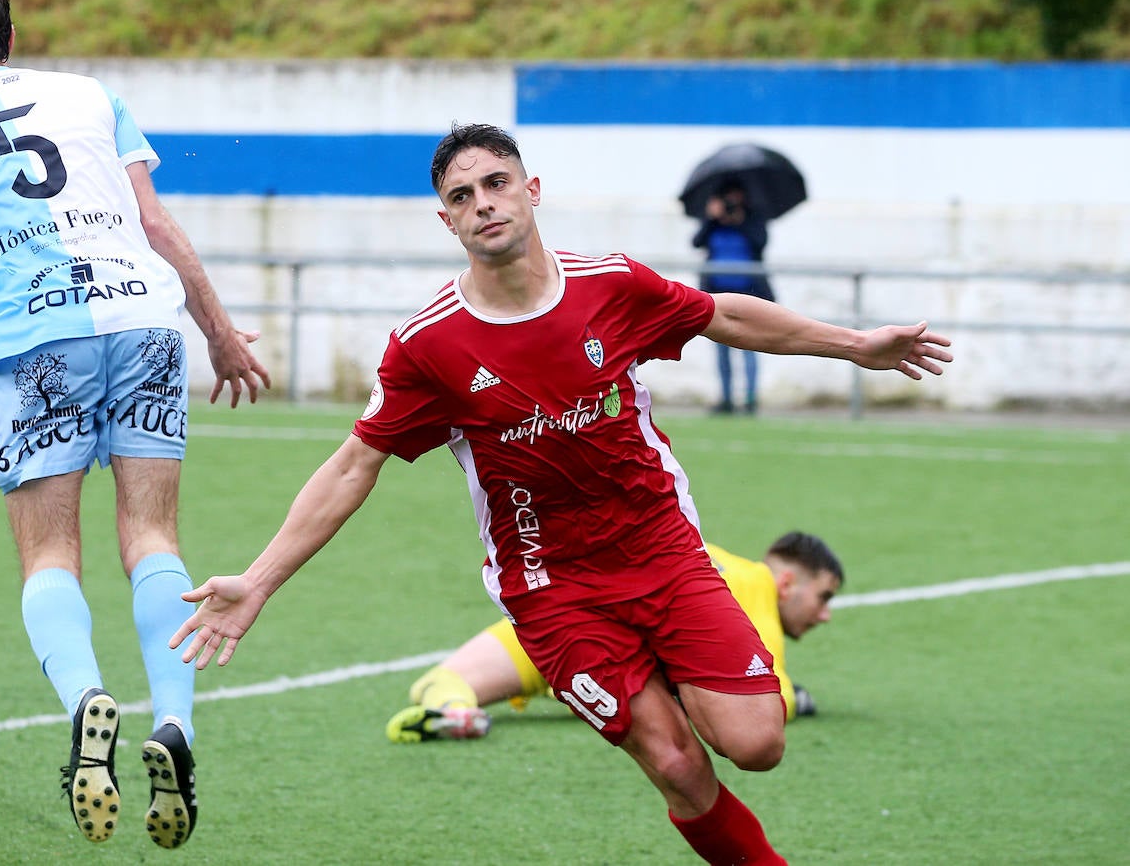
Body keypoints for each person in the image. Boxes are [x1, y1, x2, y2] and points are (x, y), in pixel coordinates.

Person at [169, 124, 950, 865]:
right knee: (676, 761)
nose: (484, 203)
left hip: (664, 552)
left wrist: (857, 347)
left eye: (496, 183)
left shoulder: (611, 285)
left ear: (532, 189)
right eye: (463, 196)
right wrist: (258, 581)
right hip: (554, 588)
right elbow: (352, 465)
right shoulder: (428, 346)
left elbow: (722, 315)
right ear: (447, 220)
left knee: (757, 742)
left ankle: (668, 666)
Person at [0, 0, 270, 849]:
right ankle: (175, 727)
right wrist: (222, 333)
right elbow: (157, 225)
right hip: (144, 319)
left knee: (50, 550)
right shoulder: (91, 94)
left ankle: (89, 699)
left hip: (39, 337)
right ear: (12, 37)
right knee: (152, 539)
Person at [387, 531, 843, 743]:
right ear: (786, 583)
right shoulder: (756, 584)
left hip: (562, 616)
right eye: (823, 597)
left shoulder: (705, 552)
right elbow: (772, 699)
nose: (824, 615)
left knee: (444, 681)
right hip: (611, 652)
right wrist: (797, 698)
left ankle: (454, 712)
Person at [691, 181, 775, 415]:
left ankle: (750, 399)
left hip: (749, 293)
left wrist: (739, 221)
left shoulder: (752, 219)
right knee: (721, 349)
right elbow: (696, 241)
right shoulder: (714, 223)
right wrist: (712, 218)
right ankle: (726, 397)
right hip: (717, 294)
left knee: (751, 347)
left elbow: (761, 242)